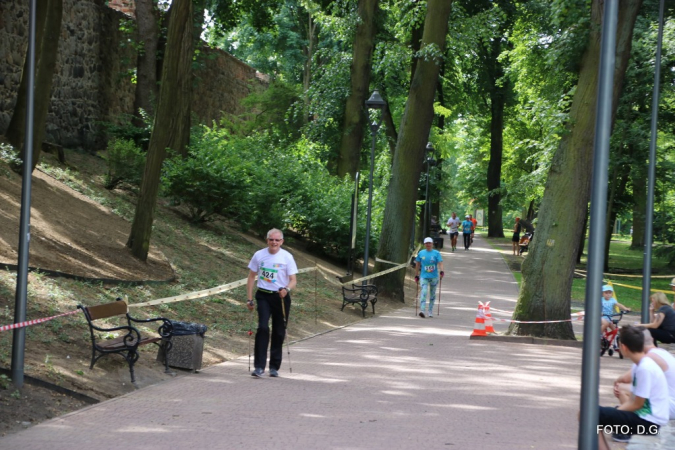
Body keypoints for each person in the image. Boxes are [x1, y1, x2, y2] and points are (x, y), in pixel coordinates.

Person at [596, 325, 668, 448]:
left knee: (589, 414)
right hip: (646, 419)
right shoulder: (640, 365)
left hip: (649, 424)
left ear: (623, 347)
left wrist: (615, 412)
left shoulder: (645, 368)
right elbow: (634, 401)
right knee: (593, 415)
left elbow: (637, 404)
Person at [246, 228, 298, 378]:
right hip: (263, 295)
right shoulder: (259, 255)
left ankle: (274, 367)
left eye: (277, 240)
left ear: (281, 241)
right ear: (267, 240)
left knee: (279, 331)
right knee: (262, 327)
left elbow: (293, 280)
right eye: (271, 239)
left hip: (280, 297)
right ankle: (259, 367)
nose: (274, 242)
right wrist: (249, 299)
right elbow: (251, 277)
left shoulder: (287, 257)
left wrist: (287, 289)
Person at [614, 328, 675, 420]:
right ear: (652, 339)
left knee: (621, 388)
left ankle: (630, 420)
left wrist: (616, 381)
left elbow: (626, 379)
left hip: (669, 406)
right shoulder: (662, 352)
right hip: (669, 401)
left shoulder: (649, 357)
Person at [414, 237, 444, 318]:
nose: (428, 245)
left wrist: (442, 271)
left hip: (434, 277)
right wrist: (416, 274)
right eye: (426, 243)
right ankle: (422, 310)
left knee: (432, 294)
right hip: (424, 276)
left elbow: (440, 263)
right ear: (424, 244)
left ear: (432, 244)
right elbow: (417, 264)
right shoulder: (421, 253)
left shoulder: (436, 253)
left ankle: (430, 310)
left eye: (429, 243)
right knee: (423, 292)